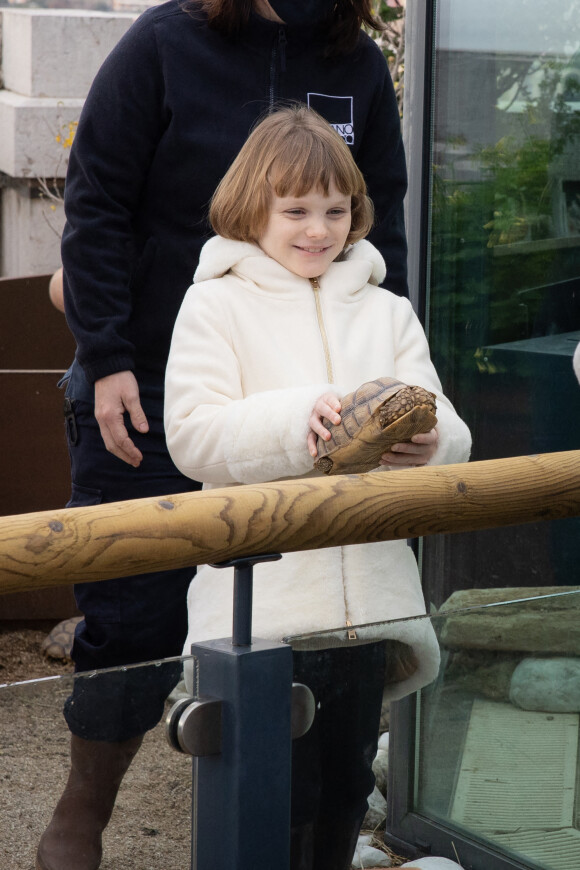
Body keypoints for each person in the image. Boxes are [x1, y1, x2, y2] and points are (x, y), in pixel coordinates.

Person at [37, 3, 411, 869]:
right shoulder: (163, 45)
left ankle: (290, 828)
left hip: (307, 401)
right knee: (132, 614)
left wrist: (380, 381)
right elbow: (96, 203)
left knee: (299, 618)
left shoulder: (354, 61)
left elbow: (377, 223)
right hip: (152, 383)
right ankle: (83, 809)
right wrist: (108, 359)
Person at [164, 105, 472, 870]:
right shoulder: (215, 303)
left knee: (339, 796)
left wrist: (433, 442)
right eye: (295, 209)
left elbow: (450, 431)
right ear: (250, 208)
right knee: (268, 800)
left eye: (336, 210)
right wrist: (298, 420)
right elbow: (192, 435)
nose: (318, 228)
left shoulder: (389, 311)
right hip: (260, 612)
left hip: (372, 607)